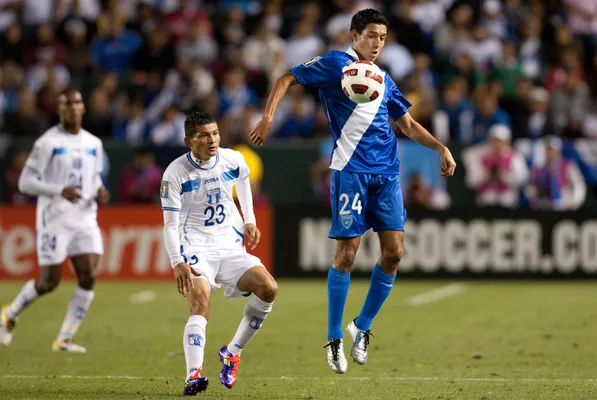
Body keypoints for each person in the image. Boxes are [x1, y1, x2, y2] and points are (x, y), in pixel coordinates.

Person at [249, 9, 456, 374]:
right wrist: (267, 118)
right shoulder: (334, 64)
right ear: (355, 34)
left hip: (387, 174)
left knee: (394, 253)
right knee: (347, 254)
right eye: (372, 35)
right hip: (350, 170)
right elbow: (285, 79)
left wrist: (441, 148)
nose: (377, 43)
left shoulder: (383, 78)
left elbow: (406, 123)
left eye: (383, 37)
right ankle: (333, 338)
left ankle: (361, 325)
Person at [160, 111, 278, 395]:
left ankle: (232, 352)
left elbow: (244, 180)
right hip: (195, 247)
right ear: (189, 140)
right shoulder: (174, 173)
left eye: (214, 133)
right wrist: (177, 262)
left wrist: (249, 218)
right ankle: (193, 375)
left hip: (228, 244)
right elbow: (169, 225)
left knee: (269, 288)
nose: (212, 140)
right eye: (203, 135)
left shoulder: (233, 158)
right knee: (200, 300)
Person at [0, 88, 110, 352]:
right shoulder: (47, 142)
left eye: (77, 102)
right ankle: (9, 314)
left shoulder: (93, 143)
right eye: (66, 104)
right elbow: (25, 182)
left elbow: (94, 177)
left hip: (85, 218)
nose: (72, 107)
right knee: (49, 282)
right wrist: (58, 190)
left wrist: (100, 189)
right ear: (59, 110)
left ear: (83, 107)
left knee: (89, 276)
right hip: (55, 220)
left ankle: (64, 338)